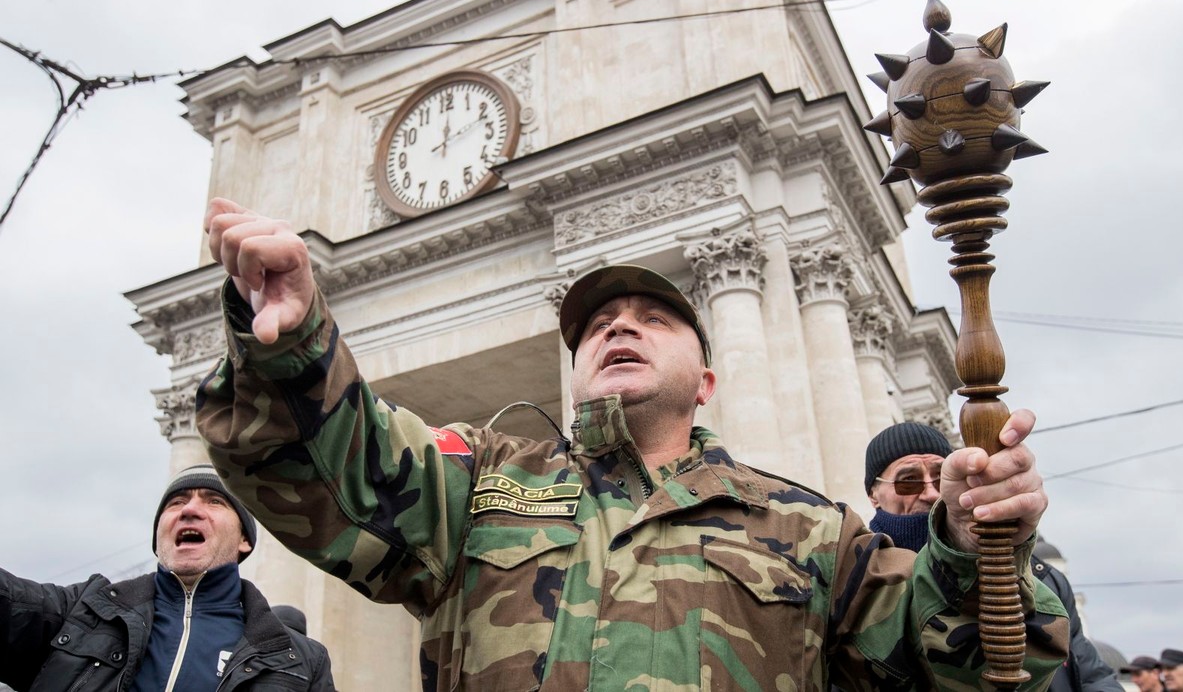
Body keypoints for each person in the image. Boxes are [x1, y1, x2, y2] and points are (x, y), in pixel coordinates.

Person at [196, 197, 1069, 690]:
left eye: (654, 318)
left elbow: (967, 669)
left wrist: (969, 544)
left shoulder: (810, 530)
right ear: (575, 373)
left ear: (708, 381)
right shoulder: (480, 485)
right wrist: (296, 341)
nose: (621, 328)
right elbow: (330, 467)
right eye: (600, 325)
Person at [0, 464, 335, 691]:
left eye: (215, 501)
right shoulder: (82, 612)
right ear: (158, 537)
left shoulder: (302, 661)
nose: (189, 509)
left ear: (244, 539)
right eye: (175, 503)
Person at [862, 421, 1121, 692]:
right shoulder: (859, 586)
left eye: (940, 476)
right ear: (873, 496)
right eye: (908, 481)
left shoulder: (1042, 579)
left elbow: (1092, 676)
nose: (931, 492)